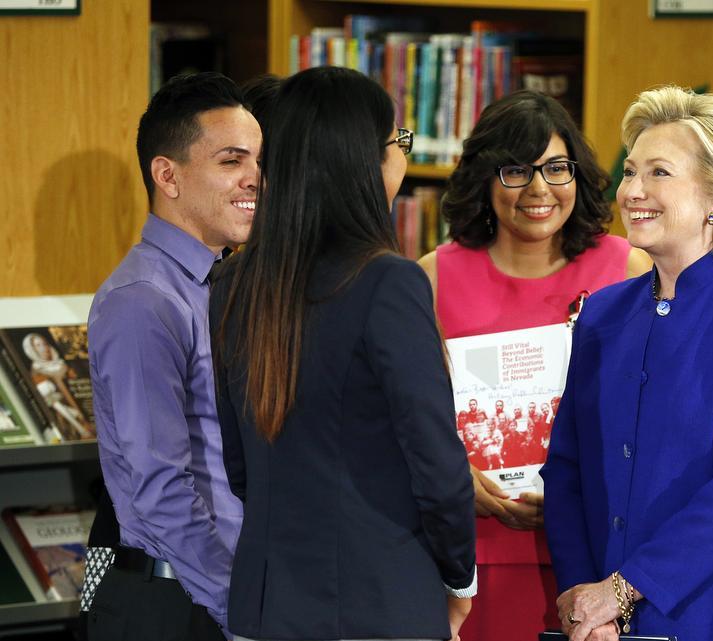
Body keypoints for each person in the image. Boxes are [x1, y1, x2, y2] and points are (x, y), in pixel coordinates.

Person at [210, 66, 476, 641]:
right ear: (363, 161)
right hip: (377, 601)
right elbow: (436, 463)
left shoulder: (234, 283)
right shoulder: (388, 282)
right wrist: (458, 580)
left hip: (272, 602)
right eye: (396, 143)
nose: (401, 158)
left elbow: (240, 463)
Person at [540, 85, 713, 641]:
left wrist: (621, 588)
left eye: (659, 173)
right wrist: (581, 594)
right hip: (606, 623)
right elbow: (566, 467)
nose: (633, 191)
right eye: (630, 171)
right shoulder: (602, 315)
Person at [417, 89, 653, 641]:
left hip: (599, 554)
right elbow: (411, 418)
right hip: (472, 557)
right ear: (484, 178)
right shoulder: (431, 278)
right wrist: (454, 477)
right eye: (517, 171)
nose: (540, 189)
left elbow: (651, 410)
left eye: (556, 168)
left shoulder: (627, 269)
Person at [86, 71, 260, 641]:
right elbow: (158, 487)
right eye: (233, 161)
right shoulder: (144, 299)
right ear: (168, 175)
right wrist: (243, 613)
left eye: (258, 161)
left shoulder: (223, 283)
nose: (255, 179)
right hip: (179, 604)